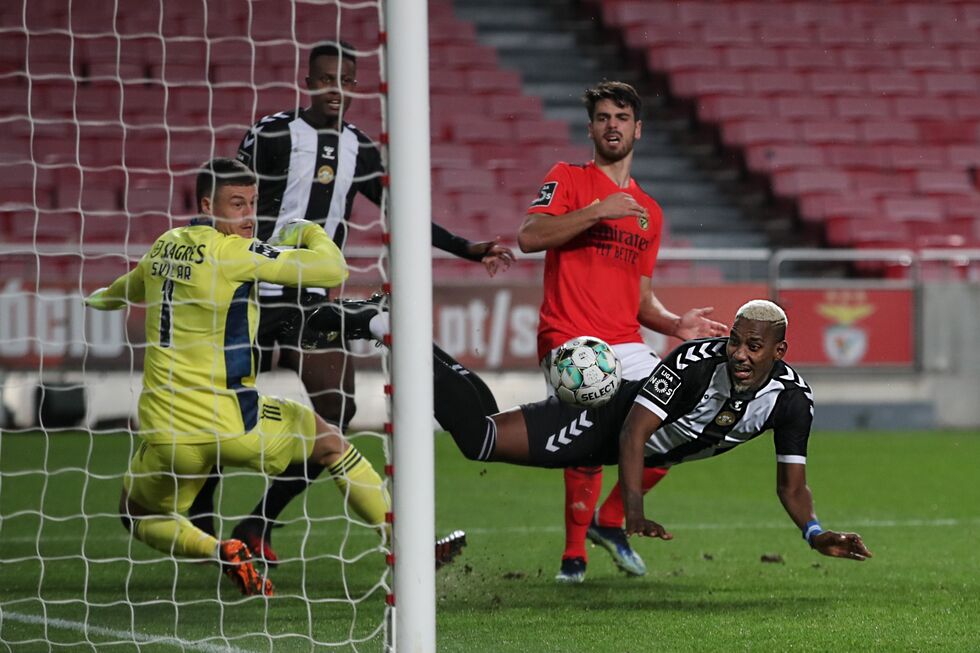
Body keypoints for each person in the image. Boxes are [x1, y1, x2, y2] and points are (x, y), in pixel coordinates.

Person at [187, 40, 514, 564]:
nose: (335, 88)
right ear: (310, 80)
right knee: (222, 409)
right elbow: (228, 196)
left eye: (346, 79)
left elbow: (398, 209)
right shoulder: (271, 133)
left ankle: (258, 523)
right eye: (325, 78)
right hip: (248, 295)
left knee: (338, 406)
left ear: (357, 85)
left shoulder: (359, 148)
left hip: (311, 302)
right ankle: (202, 520)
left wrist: (467, 248)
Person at [325, 299, 870, 565]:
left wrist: (814, 533)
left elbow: (791, 486)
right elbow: (634, 433)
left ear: (781, 352)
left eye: (756, 347)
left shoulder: (793, 401)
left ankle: (400, 330)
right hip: (605, 423)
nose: (741, 355)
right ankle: (388, 327)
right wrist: (630, 510)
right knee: (480, 442)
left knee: (487, 425)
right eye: (737, 341)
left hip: (629, 442)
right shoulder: (698, 363)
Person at [85, 158, 393, 596]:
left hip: (166, 431)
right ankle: (403, 545)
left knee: (135, 515)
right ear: (208, 203)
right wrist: (307, 230)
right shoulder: (234, 253)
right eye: (236, 204)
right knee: (330, 444)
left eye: (253, 203)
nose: (249, 216)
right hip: (233, 422)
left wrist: (98, 299)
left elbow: (126, 289)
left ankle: (219, 549)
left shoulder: (163, 247)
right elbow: (333, 271)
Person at [517, 81, 728, 582]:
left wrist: (676, 324)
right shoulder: (567, 178)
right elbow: (529, 237)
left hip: (626, 341)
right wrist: (595, 211)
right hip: (570, 338)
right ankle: (574, 555)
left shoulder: (649, 213)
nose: (613, 124)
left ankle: (609, 521)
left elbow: (640, 298)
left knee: (686, 419)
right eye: (604, 117)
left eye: (622, 117)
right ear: (591, 128)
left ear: (639, 129)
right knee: (590, 429)